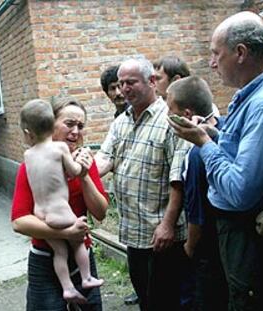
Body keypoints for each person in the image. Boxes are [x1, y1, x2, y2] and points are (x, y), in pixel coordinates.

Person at [168, 11, 263, 310]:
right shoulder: (250, 96)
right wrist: (216, 133)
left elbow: (240, 191)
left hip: (248, 235)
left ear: (240, 53)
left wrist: (202, 143)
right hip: (238, 233)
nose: (212, 62)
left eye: (216, 53)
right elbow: (242, 150)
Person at [95, 55, 190, 311]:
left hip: (161, 235)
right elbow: (105, 158)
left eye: (131, 82)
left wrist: (168, 224)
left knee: (166, 302)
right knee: (145, 299)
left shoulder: (170, 120)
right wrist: (78, 169)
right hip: (133, 232)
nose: (124, 88)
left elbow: (178, 179)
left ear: (150, 81)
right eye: (121, 83)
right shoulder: (121, 121)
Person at [12, 97, 108, 310]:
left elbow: (100, 213)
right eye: (69, 123)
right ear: (50, 123)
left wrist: (84, 176)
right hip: (44, 260)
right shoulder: (29, 165)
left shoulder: (84, 162)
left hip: (82, 257)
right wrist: (66, 233)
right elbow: (19, 222)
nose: (76, 131)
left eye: (81, 126)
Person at [167, 76, 228, 310]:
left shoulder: (197, 152)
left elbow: (197, 211)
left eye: (170, 110)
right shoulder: (223, 131)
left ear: (185, 114)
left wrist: (189, 248)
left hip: (207, 252)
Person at [100, 65, 139, 306]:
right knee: (132, 246)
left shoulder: (140, 112)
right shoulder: (119, 119)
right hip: (126, 195)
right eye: (112, 88)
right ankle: (139, 287)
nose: (118, 92)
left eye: (120, 86)